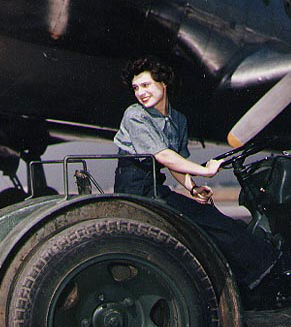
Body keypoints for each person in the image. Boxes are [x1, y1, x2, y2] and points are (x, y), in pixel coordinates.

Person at [113, 56, 281, 295]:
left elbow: (176, 164)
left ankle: (248, 277)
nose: (141, 92)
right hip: (135, 187)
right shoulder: (136, 115)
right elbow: (164, 156)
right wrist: (205, 171)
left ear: (164, 84)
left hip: (155, 186)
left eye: (146, 85)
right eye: (136, 88)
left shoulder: (178, 120)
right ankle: (262, 272)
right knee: (214, 223)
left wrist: (193, 188)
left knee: (210, 216)